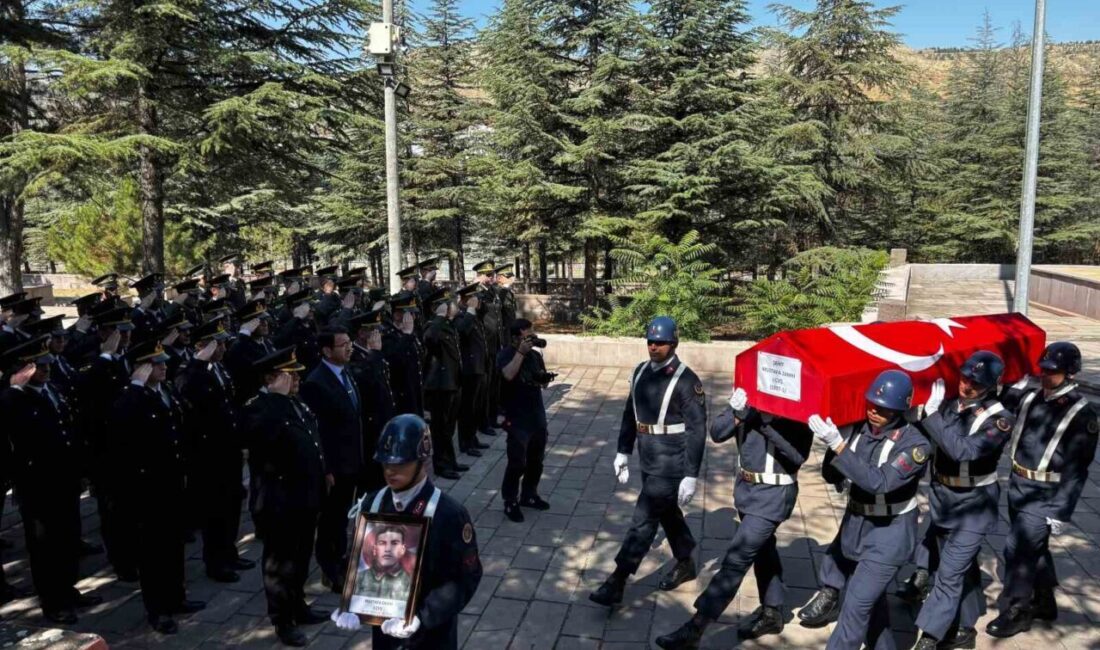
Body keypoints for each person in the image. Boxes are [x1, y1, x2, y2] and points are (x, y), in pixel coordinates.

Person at [656, 387, 813, 648]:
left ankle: (696, 627)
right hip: (746, 491)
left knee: (737, 558)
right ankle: (772, 611)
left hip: (774, 495)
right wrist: (738, 414)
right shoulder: (748, 399)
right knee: (764, 549)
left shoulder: (797, 409)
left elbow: (797, 455)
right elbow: (717, 433)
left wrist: (761, 422)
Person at [798, 370, 931, 650]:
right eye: (871, 404)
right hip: (857, 525)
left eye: (883, 408)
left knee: (855, 607)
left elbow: (878, 482)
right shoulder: (858, 429)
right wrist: (838, 441)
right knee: (872, 605)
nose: (874, 411)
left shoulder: (915, 445)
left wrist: (839, 446)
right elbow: (831, 475)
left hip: (889, 534)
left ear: (899, 409)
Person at [331, 414, 482, 649]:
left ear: (422, 460)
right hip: (385, 635)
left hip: (431, 638)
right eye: (386, 464)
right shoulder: (373, 503)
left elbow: (464, 578)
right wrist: (351, 601)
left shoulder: (448, 514)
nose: (390, 471)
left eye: (400, 464)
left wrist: (423, 617)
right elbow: (353, 559)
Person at [590, 316, 707, 606]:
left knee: (643, 519)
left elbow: (697, 430)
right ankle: (685, 560)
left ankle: (617, 580)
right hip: (648, 455)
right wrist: (623, 450)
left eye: (661, 343)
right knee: (666, 512)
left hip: (671, 461)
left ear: (674, 343)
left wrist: (691, 474)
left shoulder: (686, 381)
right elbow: (630, 414)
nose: (654, 347)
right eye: (650, 342)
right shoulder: (641, 371)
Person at [986, 342, 1098, 638]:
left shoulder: (1081, 414)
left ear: (1070, 373)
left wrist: (1061, 510)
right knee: (1034, 549)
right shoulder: (1031, 397)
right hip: (1019, 485)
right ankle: (1045, 600)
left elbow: (1077, 468)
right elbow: (1003, 409)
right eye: (1044, 369)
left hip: (1045, 495)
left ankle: (1017, 610)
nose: (1045, 375)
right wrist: (1010, 384)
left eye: (1053, 371)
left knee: (1017, 549)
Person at [907, 352, 1014, 650]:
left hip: (974, 505)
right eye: (965, 378)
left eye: (976, 383)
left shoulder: (1000, 419)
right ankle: (965, 628)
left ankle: (930, 636)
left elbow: (963, 451)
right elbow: (930, 442)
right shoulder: (949, 405)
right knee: (959, 568)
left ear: (991, 386)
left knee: (948, 573)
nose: (967, 385)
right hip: (943, 499)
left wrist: (932, 416)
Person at [0, 337, 102, 624]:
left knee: (68, 539)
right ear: (24, 369)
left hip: (65, 478)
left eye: (47, 365)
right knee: (45, 548)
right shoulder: (12, 400)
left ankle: (68, 590)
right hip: (38, 486)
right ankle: (53, 602)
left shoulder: (51, 390)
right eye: (39, 367)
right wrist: (14, 386)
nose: (46, 370)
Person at [110, 339, 206, 634]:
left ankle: (176, 597)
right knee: (153, 552)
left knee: (174, 545)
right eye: (156, 363)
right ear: (141, 368)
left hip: (172, 480)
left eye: (164, 361)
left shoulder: (164, 390)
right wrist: (136, 385)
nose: (164, 366)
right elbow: (121, 423)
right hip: (148, 487)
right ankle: (158, 609)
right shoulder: (131, 397)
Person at [242, 346, 330, 647]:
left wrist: (323, 471)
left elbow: (311, 437)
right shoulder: (259, 407)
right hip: (279, 502)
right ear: (271, 379)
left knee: (302, 556)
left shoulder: (294, 402)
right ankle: (282, 620)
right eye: (290, 375)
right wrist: (277, 396)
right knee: (280, 564)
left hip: (305, 496)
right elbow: (262, 438)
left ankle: (298, 605)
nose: (297, 379)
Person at [178, 319, 253, 583]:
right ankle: (216, 561)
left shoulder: (219, 368)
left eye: (222, 343)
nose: (222, 348)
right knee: (215, 510)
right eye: (217, 344)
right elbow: (188, 391)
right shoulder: (191, 371)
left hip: (228, 449)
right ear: (202, 346)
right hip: (208, 454)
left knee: (232, 504)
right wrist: (199, 361)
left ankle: (229, 552)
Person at [300, 327, 364, 593]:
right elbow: (319, 432)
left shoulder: (345, 372)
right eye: (343, 344)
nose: (350, 347)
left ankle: (341, 559)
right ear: (327, 351)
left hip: (352, 460)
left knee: (343, 515)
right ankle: (330, 568)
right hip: (335, 466)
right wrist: (326, 468)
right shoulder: (316, 383)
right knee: (332, 519)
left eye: (349, 342)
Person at [76, 306, 136, 580]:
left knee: (129, 507)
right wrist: (105, 356)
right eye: (120, 331)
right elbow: (89, 398)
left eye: (127, 331)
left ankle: (131, 553)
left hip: (127, 448)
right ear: (104, 333)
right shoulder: (92, 362)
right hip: (105, 451)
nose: (127, 336)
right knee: (113, 511)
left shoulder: (123, 358)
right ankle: (121, 561)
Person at [497, 318, 552, 522]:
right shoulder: (506, 354)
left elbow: (543, 384)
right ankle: (510, 501)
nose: (532, 339)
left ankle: (529, 494)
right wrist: (520, 353)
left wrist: (544, 379)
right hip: (516, 417)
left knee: (536, 460)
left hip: (536, 415)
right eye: (528, 335)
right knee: (517, 462)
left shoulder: (535, 355)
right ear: (516, 337)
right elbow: (508, 375)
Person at [348, 309, 394, 492]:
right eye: (374, 331)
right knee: (373, 473)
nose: (379, 335)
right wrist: (374, 354)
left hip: (382, 418)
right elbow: (367, 382)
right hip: (370, 423)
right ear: (361, 333)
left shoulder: (372, 354)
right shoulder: (355, 355)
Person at [423, 288, 465, 480]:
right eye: (446, 304)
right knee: (440, 429)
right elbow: (430, 339)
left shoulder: (448, 325)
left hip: (453, 382)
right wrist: (439, 316)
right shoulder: (432, 325)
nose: (450, 306)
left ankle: (451, 461)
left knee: (449, 427)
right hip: (439, 386)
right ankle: (441, 465)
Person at [454, 284, 490, 458]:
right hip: (469, 369)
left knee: (476, 405)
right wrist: (469, 309)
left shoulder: (474, 315)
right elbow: (462, 331)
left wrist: (477, 305)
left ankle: (473, 437)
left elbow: (486, 310)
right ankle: (465, 442)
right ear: (464, 300)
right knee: (467, 408)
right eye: (472, 298)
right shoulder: (461, 316)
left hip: (479, 366)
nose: (476, 301)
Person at [472, 261, 503, 437]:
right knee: (484, 387)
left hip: (495, 343)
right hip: (484, 345)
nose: (492, 278)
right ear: (479, 275)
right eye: (488, 275)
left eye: (492, 274)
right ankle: (482, 422)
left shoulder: (492, 291)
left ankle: (492, 418)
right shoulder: (476, 293)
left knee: (493, 385)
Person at [384, 292, 425, 417]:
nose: (413, 317)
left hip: (414, 391)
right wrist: (406, 335)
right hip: (401, 396)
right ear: (397, 315)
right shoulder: (389, 337)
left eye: (414, 314)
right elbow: (395, 361)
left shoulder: (411, 334)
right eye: (409, 314)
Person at [355, 526, 413, 600]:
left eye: (394, 543)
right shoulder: (359, 578)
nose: (387, 549)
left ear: (402, 549)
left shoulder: (410, 582)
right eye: (382, 543)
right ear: (375, 549)